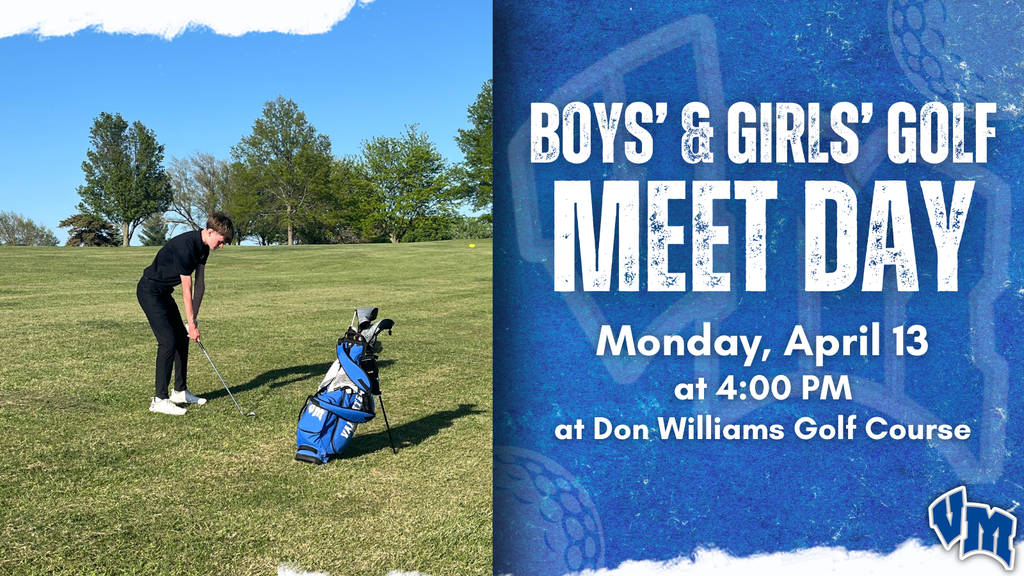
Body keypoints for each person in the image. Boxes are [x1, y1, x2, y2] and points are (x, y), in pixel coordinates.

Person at [137, 212, 233, 415]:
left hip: (163, 293)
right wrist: (190, 321)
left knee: (182, 337)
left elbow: (200, 285)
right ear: (209, 232)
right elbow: (186, 289)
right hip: (149, 291)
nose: (222, 246)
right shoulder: (186, 246)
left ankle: (179, 392)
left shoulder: (203, 248)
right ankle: (159, 400)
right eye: (221, 241)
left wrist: (193, 322)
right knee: (168, 341)